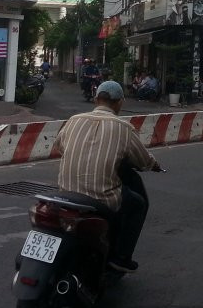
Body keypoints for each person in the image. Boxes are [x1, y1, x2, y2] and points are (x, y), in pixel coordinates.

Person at [52, 81, 162, 273]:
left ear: (96, 99)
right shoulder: (123, 128)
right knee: (137, 204)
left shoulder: (74, 119)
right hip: (101, 199)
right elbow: (143, 161)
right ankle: (121, 257)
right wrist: (154, 165)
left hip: (66, 194)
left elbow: (60, 146)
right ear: (120, 103)